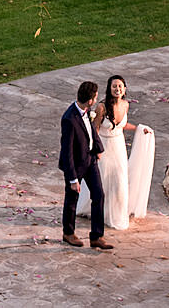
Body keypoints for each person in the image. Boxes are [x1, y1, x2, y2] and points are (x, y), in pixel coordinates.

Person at [58, 79, 111, 249]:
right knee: (72, 198)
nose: (96, 100)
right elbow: (66, 152)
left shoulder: (87, 111)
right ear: (90, 100)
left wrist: (98, 148)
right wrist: (73, 179)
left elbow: (90, 132)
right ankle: (68, 233)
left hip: (90, 160)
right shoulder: (69, 119)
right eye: (95, 98)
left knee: (98, 195)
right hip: (75, 165)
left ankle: (96, 236)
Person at [100, 73, 157, 230]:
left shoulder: (125, 105)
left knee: (119, 180)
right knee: (104, 179)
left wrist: (140, 129)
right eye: (114, 86)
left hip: (118, 147)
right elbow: (95, 128)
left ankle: (116, 213)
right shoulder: (102, 107)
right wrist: (95, 150)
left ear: (124, 89)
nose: (117, 89)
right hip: (103, 146)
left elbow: (121, 125)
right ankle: (101, 212)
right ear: (109, 89)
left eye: (120, 86)